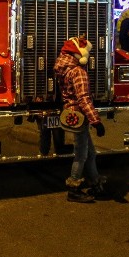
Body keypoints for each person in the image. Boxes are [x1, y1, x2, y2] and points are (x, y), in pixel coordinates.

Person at [53, 36, 106, 203]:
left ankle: (96, 181)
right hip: (80, 115)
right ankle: (73, 188)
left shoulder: (64, 68)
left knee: (90, 152)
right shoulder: (78, 71)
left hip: (71, 113)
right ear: (79, 54)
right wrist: (96, 121)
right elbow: (83, 98)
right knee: (82, 155)